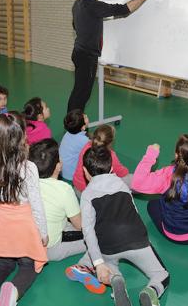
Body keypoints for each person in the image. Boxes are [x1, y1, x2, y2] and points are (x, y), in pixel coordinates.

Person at [66, 146, 170, 306]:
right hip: (136, 239)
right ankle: (151, 291)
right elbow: (134, 212)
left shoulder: (87, 194)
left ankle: (115, 278)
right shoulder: (122, 185)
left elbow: (88, 231)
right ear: (112, 168)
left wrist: (98, 264)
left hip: (108, 245)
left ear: (85, 171)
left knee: (109, 263)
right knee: (162, 274)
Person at [0, 112, 48, 306]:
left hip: (0, 224)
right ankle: (12, 292)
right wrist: (43, 233)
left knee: (1, 263)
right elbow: (37, 205)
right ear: (21, 138)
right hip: (24, 227)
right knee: (29, 266)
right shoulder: (29, 168)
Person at [67, 0, 158, 112]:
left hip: (79, 53)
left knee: (79, 92)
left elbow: (75, 25)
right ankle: (75, 127)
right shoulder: (92, 4)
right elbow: (124, 9)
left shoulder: (77, 4)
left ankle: (73, 124)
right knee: (82, 95)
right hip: (87, 56)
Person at [29, 139, 86, 261]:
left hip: (29, 243)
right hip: (51, 249)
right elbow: (80, 225)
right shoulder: (64, 189)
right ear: (58, 166)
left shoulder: (25, 182)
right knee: (96, 239)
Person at [73, 124, 130, 194]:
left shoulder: (86, 146)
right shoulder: (110, 155)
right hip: (91, 192)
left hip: (77, 187)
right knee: (129, 179)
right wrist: (126, 171)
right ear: (110, 142)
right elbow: (121, 172)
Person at [59, 109, 90, 181]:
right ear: (82, 127)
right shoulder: (83, 140)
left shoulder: (67, 133)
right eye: (85, 117)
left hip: (62, 169)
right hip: (71, 174)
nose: (87, 116)